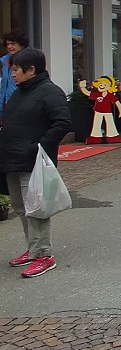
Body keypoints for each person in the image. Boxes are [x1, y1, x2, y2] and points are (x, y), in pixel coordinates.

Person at [0, 48, 71, 278]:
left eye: (16, 69)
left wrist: (38, 147)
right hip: (12, 159)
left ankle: (44, 254)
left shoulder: (50, 92)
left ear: (31, 70)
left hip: (32, 161)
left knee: (36, 209)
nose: (12, 74)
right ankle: (33, 248)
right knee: (21, 208)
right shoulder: (20, 92)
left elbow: (62, 123)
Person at [0, 30, 29, 122]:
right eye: (8, 44)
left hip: (22, 104)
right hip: (5, 104)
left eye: (13, 44)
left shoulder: (30, 59)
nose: (9, 47)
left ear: (22, 44)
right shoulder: (3, 61)